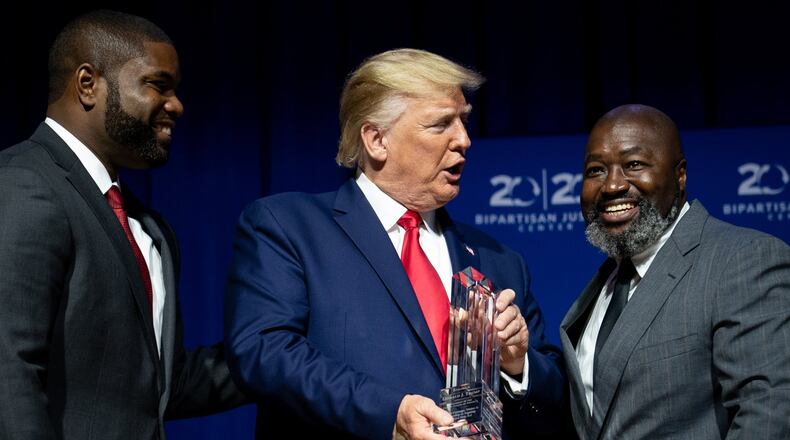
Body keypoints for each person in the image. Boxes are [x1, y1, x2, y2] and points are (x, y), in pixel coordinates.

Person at [224, 48, 566, 439]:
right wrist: (390, 413)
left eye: (464, 122)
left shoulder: (500, 259)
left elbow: (554, 399)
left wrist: (517, 364)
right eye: (441, 124)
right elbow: (264, 354)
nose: (465, 140)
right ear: (376, 140)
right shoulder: (289, 228)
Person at [0, 10, 248, 440]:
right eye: (157, 85)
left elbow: (161, 385)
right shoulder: (23, 183)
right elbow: (7, 366)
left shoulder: (149, 227)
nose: (176, 105)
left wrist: (281, 351)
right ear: (87, 84)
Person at [560, 104, 790, 439]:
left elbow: (770, 413)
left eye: (633, 165)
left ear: (679, 175)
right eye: (596, 170)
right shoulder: (606, 285)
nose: (611, 186)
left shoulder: (743, 259)